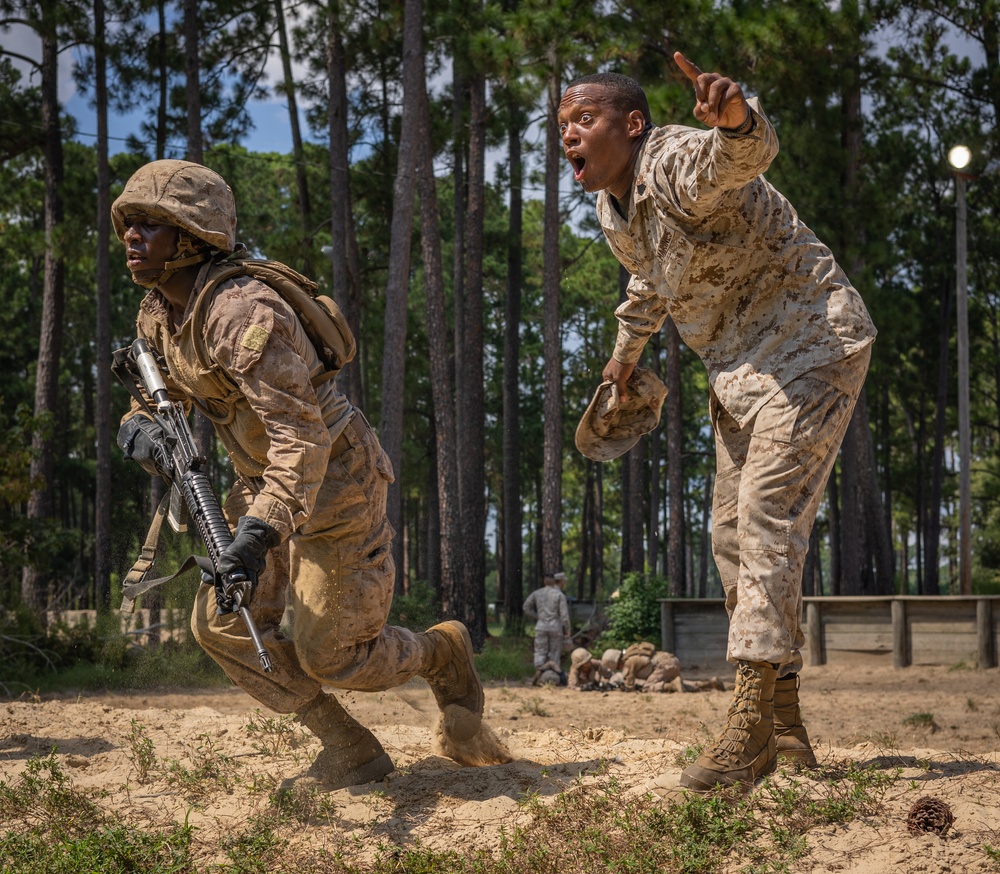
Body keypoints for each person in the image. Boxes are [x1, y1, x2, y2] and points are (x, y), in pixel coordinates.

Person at [112, 159, 510, 791]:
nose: (131, 236)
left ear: (193, 234)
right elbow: (161, 398)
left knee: (336, 657)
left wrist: (254, 538)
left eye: (149, 225)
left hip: (336, 486)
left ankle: (440, 651)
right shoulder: (157, 315)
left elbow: (302, 439)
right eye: (127, 224)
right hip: (260, 485)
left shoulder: (244, 313)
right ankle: (349, 746)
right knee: (219, 622)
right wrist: (140, 426)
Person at [558, 53, 875, 791]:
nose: (568, 133)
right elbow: (648, 279)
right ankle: (787, 724)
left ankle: (750, 723)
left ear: (632, 126)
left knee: (767, 519)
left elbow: (741, 156)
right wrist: (622, 357)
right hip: (739, 371)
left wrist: (735, 116)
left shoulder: (669, 159)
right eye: (562, 123)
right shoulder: (615, 208)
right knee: (730, 536)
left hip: (812, 344)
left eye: (585, 118)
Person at [522, 571, 571, 683]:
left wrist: (537, 616)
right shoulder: (559, 595)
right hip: (555, 626)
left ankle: (538, 675)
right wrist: (567, 629)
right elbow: (564, 615)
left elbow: (526, 607)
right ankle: (554, 676)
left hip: (541, 626)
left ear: (544, 581)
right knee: (554, 652)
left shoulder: (536, 593)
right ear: (554, 581)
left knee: (540, 650)